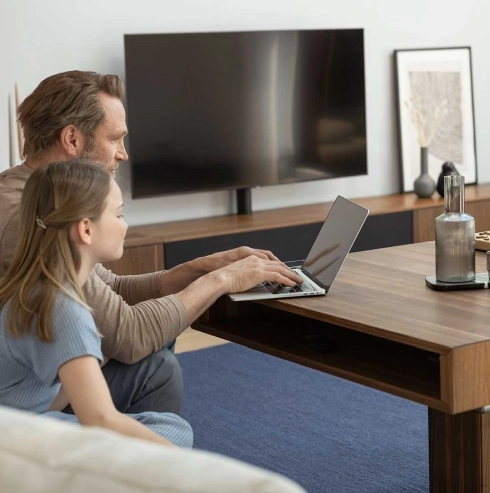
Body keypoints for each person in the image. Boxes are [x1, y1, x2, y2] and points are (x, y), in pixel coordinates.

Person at [0, 71, 303, 418]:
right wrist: (222, 281)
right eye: (114, 139)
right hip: (24, 407)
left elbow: (107, 289)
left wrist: (193, 271)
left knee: (160, 329)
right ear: (72, 139)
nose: (123, 154)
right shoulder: (29, 218)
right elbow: (129, 335)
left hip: (42, 381)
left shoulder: (32, 194)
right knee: (156, 366)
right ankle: (142, 465)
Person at [0, 160, 198, 446]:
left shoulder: (34, 284)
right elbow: (100, 419)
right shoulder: (63, 306)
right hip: (20, 440)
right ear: (86, 230)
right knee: (176, 433)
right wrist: (191, 465)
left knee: (167, 424)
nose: (125, 225)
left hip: (21, 419)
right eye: (118, 215)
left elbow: (33, 395)